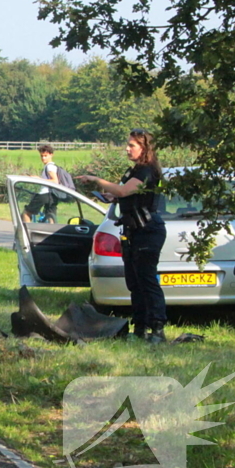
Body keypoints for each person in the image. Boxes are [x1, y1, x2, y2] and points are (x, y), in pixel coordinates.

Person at [77, 129, 166, 344]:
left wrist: (97, 180)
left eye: (132, 145)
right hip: (132, 230)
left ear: (144, 148)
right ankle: (140, 328)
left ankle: (157, 329)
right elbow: (124, 194)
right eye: (127, 145)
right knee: (134, 283)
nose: (127, 149)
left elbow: (125, 191)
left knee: (147, 281)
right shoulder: (133, 171)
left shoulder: (147, 171)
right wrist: (111, 196)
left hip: (148, 230)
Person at [23, 143, 61, 223]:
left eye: (45, 156)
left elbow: (55, 181)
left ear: (51, 155)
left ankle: (27, 232)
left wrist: (39, 179)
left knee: (26, 213)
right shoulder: (53, 166)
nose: (43, 158)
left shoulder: (49, 167)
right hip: (53, 196)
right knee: (51, 218)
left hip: (44, 194)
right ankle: (52, 234)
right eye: (41, 156)